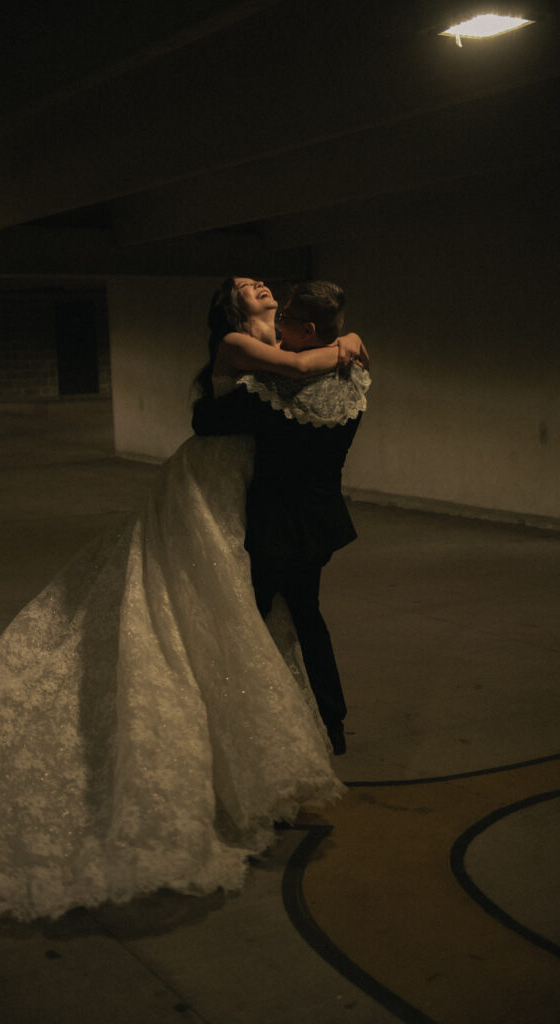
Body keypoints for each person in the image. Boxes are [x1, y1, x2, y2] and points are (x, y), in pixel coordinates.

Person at [0, 277, 366, 922]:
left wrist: (343, 340)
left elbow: (294, 377)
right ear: (234, 309)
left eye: (267, 286)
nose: (263, 287)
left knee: (253, 607)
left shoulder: (279, 341)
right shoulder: (243, 342)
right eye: (251, 287)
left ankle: (275, 724)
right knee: (208, 597)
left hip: (249, 488)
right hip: (211, 481)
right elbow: (297, 367)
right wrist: (349, 341)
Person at [193, 280, 368, 756]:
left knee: (249, 617)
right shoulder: (353, 383)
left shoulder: (271, 396)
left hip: (274, 525)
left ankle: (249, 717)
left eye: (287, 317)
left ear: (306, 329)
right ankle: (332, 721)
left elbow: (205, 421)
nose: (279, 319)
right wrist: (345, 342)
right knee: (307, 616)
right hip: (322, 520)